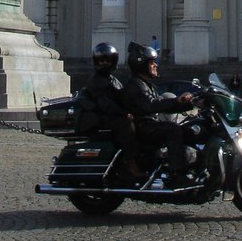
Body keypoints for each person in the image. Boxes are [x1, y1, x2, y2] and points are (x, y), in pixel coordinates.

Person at [122, 42, 195, 186]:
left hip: (148, 124)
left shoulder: (145, 83)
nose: (155, 65)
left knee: (188, 127)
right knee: (173, 130)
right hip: (143, 126)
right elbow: (151, 105)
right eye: (151, 62)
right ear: (141, 64)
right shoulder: (136, 84)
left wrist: (190, 104)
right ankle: (176, 174)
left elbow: (162, 106)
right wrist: (177, 100)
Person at [77, 42, 141, 178]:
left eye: (107, 61)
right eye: (101, 61)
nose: (104, 63)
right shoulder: (97, 80)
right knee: (126, 124)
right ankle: (131, 161)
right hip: (101, 119)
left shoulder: (111, 79)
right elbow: (105, 104)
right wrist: (125, 113)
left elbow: (121, 96)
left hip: (107, 116)